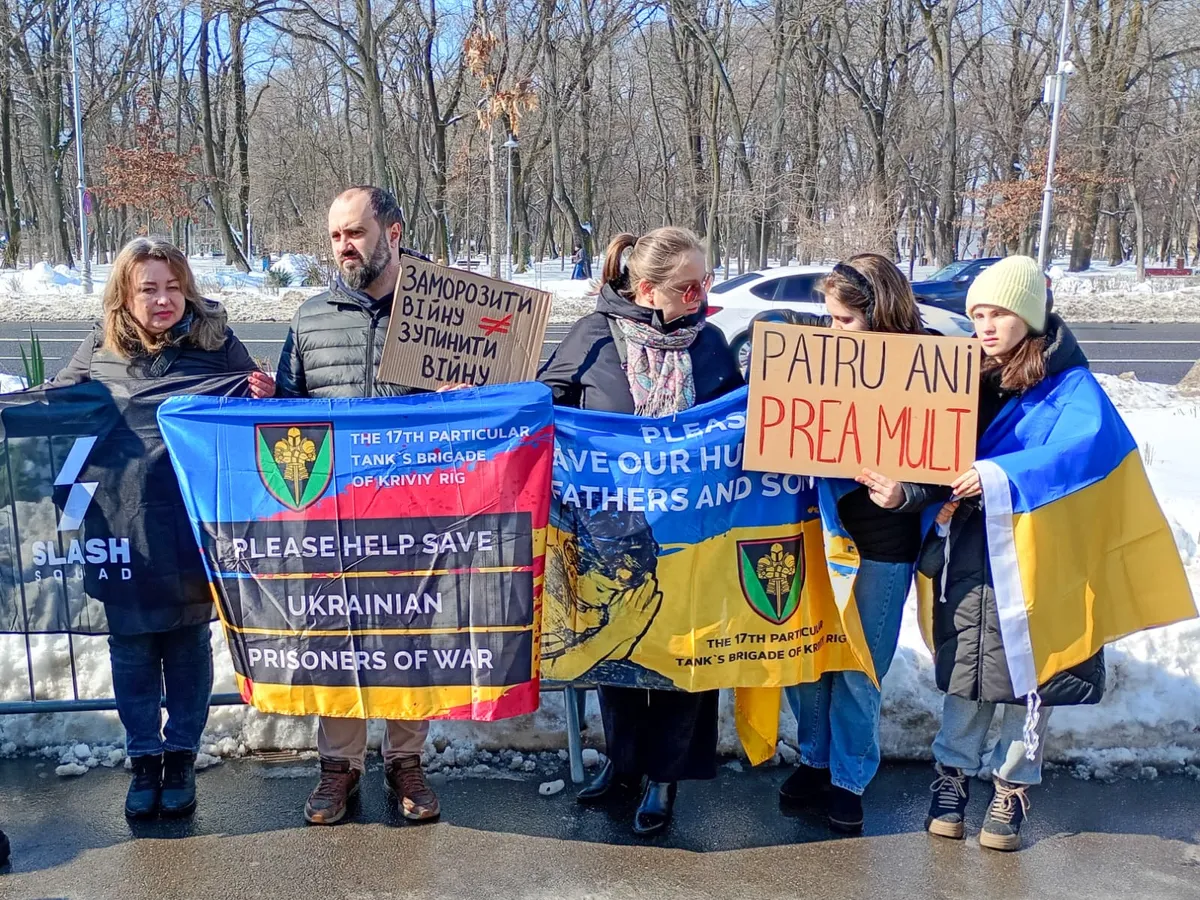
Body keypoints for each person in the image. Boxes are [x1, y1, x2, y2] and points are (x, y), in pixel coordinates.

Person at [52, 237, 274, 819]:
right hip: (121, 525)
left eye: (173, 286)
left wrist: (267, 393)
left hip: (192, 526)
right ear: (124, 295)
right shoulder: (98, 351)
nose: (163, 298)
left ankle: (180, 756)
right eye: (148, 287)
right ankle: (143, 758)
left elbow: (265, 418)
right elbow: (54, 413)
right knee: (129, 648)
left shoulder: (218, 347)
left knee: (187, 645)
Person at [539, 226, 743, 836]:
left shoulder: (710, 345)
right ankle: (622, 764)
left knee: (685, 654)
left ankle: (665, 777)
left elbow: (735, 421)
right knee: (619, 645)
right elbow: (545, 403)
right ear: (649, 290)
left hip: (692, 529)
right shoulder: (594, 337)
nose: (703, 293)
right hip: (606, 531)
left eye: (707, 280)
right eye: (690, 285)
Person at [752, 255, 944, 834]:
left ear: (880, 313)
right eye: (829, 319)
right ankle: (814, 761)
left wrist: (907, 492)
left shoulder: (932, 363)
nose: (833, 331)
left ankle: (848, 778)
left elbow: (951, 457)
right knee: (807, 658)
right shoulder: (819, 359)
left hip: (884, 541)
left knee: (860, 666)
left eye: (845, 321)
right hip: (815, 528)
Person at [273, 186, 442, 825]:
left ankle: (407, 761)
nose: (345, 246)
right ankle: (338, 767)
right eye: (336, 235)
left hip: (416, 510)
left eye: (356, 232)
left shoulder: (440, 310)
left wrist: (461, 395)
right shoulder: (310, 317)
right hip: (334, 515)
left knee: (407, 637)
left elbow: (494, 400)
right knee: (335, 641)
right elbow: (288, 414)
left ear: (392, 232)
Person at [922, 256, 1102, 851]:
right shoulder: (964, 377)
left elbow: (1084, 452)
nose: (986, 325)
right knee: (969, 671)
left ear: (1028, 314)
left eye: (998, 312)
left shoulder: (1071, 382)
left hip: (1042, 554)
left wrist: (997, 475)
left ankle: (1011, 788)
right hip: (974, 549)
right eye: (976, 313)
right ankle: (951, 780)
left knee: (1033, 677)